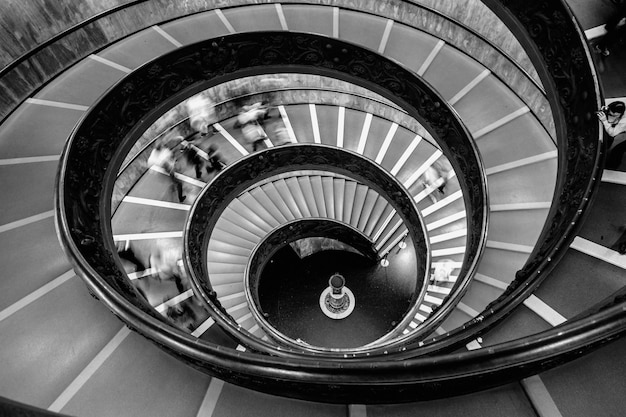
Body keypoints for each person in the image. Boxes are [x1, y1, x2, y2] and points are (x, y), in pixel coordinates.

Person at [597, 101, 626, 169]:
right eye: (610, 114)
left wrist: (605, 121)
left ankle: (611, 167)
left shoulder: (624, 122)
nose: (611, 117)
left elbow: (613, 133)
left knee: (618, 149)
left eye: (614, 116)